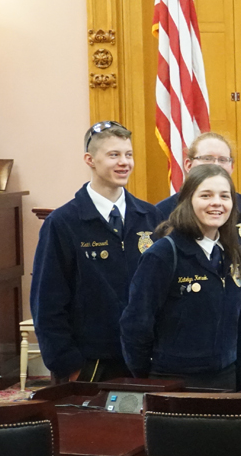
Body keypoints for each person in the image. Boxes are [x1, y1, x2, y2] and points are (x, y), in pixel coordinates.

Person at [31, 122, 160, 382]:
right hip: (89, 366)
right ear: (90, 160)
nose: (124, 162)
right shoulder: (63, 223)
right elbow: (47, 303)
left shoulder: (150, 217)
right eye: (114, 155)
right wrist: (69, 365)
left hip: (145, 360)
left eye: (128, 154)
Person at [120, 164, 241, 390]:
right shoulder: (163, 255)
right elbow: (136, 325)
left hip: (226, 379)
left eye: (224, 196)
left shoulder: (233, 253)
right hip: (174, 382)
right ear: (188, 200)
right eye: (206, 195)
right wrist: (147, 379)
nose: (217, 203)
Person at [153, 132, 241, 223]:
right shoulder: (162, 212)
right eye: (207, 158)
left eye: (223, 160)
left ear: (232, 167)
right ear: (188, 165)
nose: (216, 165)